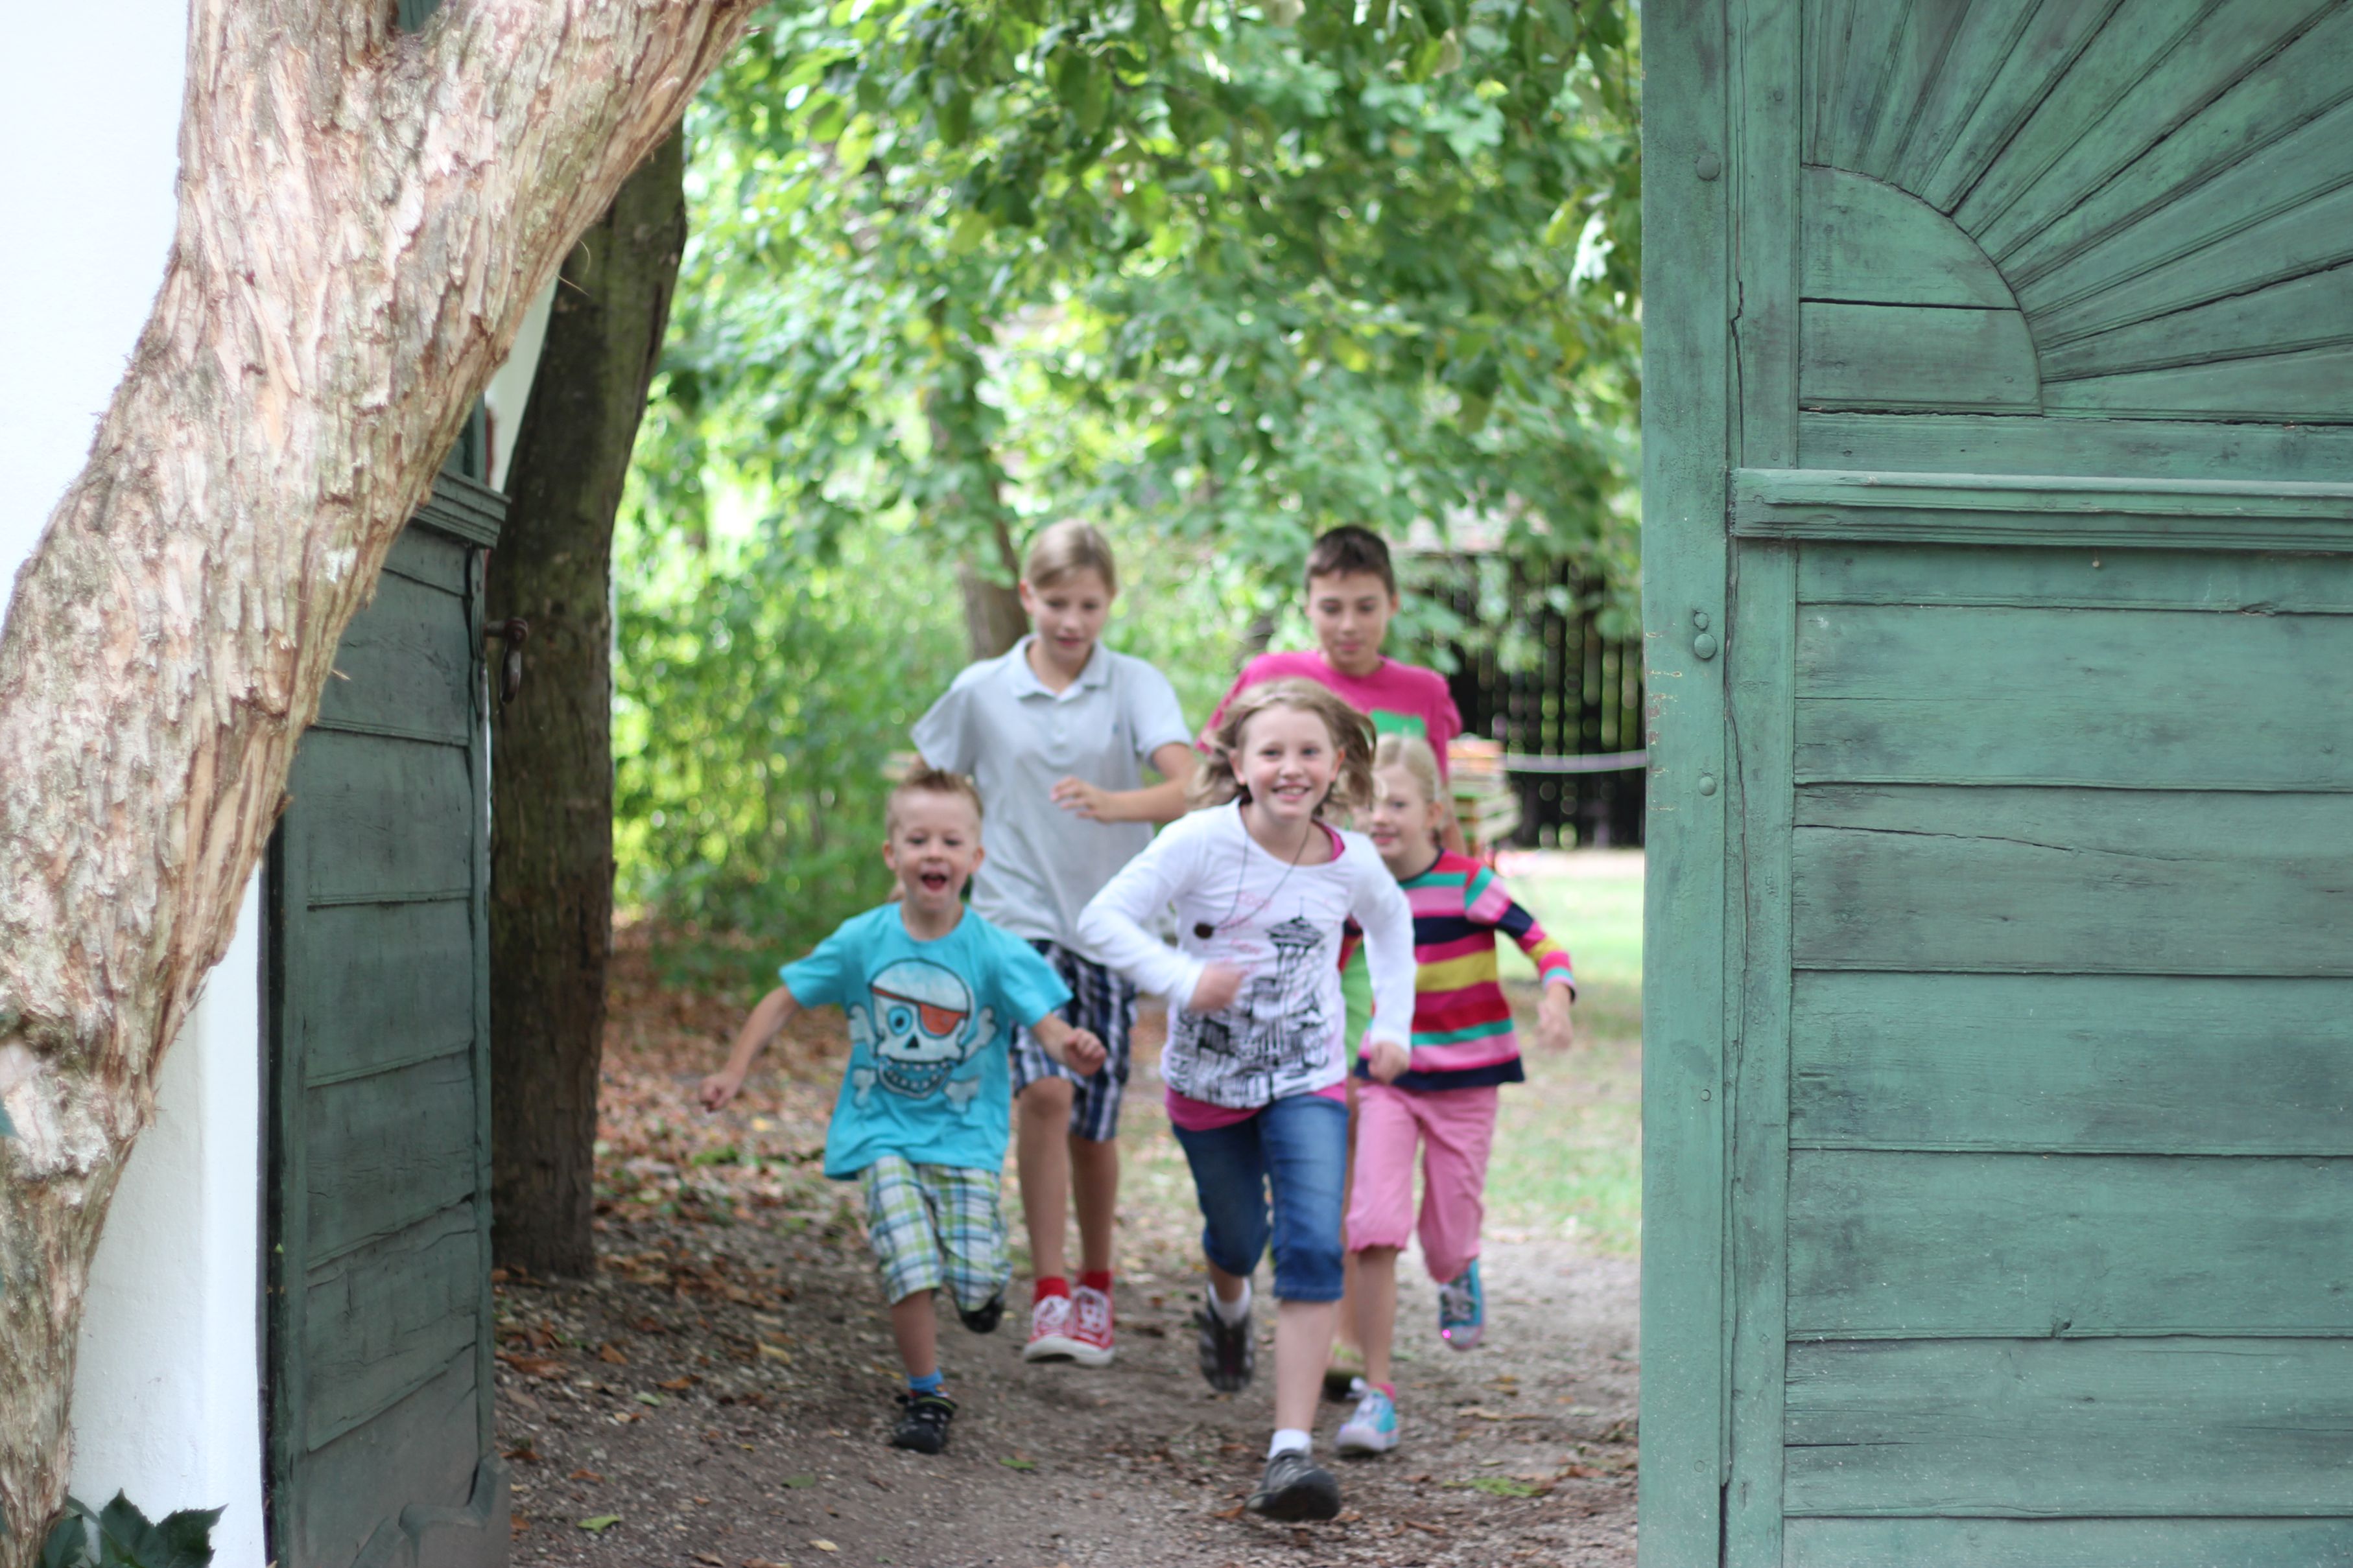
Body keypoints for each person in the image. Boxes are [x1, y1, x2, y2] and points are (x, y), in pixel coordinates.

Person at [1078, 679, 1416, 1521]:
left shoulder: (1351, 859)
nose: (1290, 767)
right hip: (1207, 1082)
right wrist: (1182, 978)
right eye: (1271, 751)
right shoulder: (1198, 840)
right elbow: (1101, 919)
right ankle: (1226, 1303)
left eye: (1308, 751)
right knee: (1237, 1237)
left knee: (1312, 1244)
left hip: (1308, 1076)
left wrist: (1391, 1023)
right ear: (1237, 763)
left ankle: (1288, 1451)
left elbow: (1392, 926)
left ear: (1335, 764)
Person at [698, 767, 1106, 1455]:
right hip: (879, 1130)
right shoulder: (863, 940)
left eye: (950, 840)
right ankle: (926, 1393)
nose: (933, 852)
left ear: (975, 858)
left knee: (973, 1277)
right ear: (892, 854)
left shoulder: (994, 950)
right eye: (918, 839)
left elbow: (1049, 1030)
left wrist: (1075, 1048)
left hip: (964, 1136)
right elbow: (783, 998)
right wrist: (734, 1070)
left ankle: (982, 1288)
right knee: (908, 1259)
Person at [912, 520, 1196, 1368]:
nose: (1072, 621)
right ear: (1026, 595)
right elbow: (931, 784)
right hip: (1013, 917)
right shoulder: (982, 690)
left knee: (1093, 1122)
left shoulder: (1135, 684)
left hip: (1110, 923)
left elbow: (1192, 786)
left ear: (1110, 603)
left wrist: (1115, 804)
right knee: (1043, 1092)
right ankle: (1047, 1291)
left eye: (1090, 605)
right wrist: (923, 880)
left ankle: (1095, 1286)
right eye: (1057, 602)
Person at [1201, 523, 1469, 1389]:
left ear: (1392, 603)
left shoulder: (1421, 692)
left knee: (1350, 1109)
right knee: (1248, 1122)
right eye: (1329, 607)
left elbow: (1436, 810)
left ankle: (1342, 1341)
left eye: (1363, 606)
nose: (1347, 624)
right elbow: (1214, 788)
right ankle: (1234, 1282)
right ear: (1306, 605)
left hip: (1367, 932)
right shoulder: (1271, 679)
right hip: (1272, 931)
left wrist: (1457, 914)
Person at [1334, 733, 1574, 1458]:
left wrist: (1555, 997)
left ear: (1434, 814)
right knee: (1372, 1223)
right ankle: (1377, 1392)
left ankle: (1456, 1268)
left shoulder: (1468, 884)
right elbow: (1318, 966)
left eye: (1397, 803)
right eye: (1370, 803)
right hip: (1389, 1076)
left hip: (1467, 1082)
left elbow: (1542, 944)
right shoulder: (1361, 893)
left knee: (1443, 1238)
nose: (1381, 816)